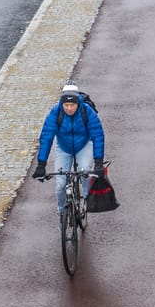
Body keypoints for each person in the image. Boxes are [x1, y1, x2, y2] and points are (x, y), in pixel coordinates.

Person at [32, 84, 105, 220]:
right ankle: (61, 212)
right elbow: (46, 137)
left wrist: (99, 162)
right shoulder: (56, 113)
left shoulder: (87, 112)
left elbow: (98, 135)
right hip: (64, 148)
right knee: (60, 184)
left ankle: (85, 202)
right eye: (66, 105)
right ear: (62, 103)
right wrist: (41, 164)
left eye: (72, 105)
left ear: (78, 103)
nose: (69, 108)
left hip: (83, 145)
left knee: (85, 174)